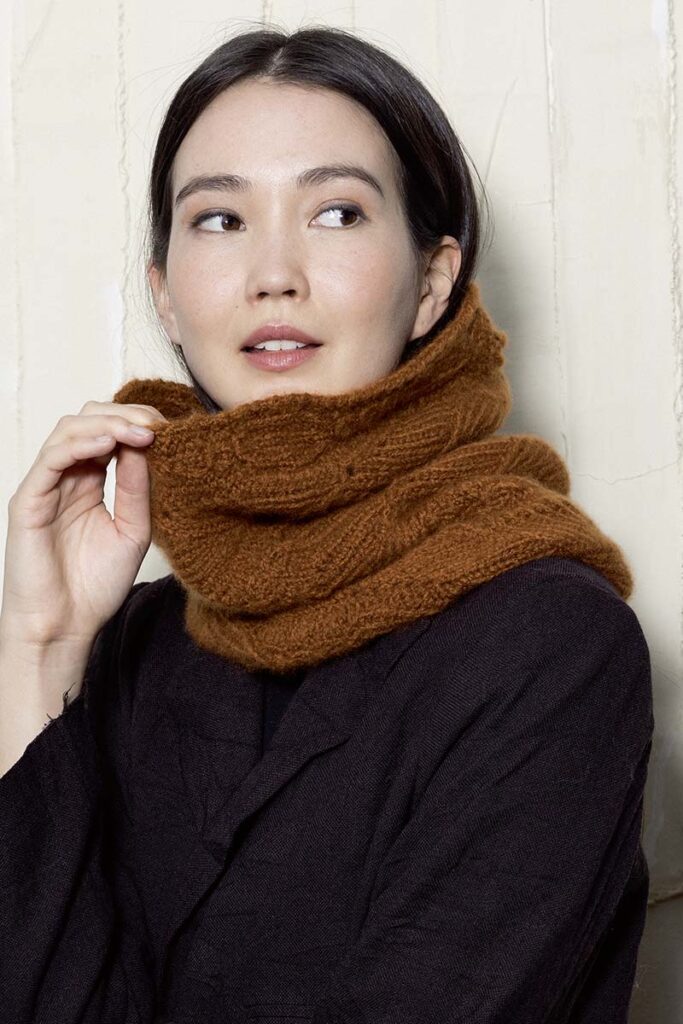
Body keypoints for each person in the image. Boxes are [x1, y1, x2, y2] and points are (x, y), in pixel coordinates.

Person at [0, 23, 654, 1024]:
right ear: (165, 297)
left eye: (336, 212)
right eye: (219, 218)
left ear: (431, 283)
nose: (274, 272)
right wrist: (40, 647)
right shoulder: (128, 643)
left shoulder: (550, 640)